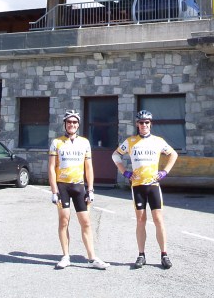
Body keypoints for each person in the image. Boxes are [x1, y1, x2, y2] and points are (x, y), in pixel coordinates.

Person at [112, 109, 178, 269]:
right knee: (141, 220)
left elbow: (173, 154)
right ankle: (141, 255)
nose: (144, 125)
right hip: (138, 186)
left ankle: (164, 254)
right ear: (137, 124)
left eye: (147, 122)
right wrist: (125, 172)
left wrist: (164, 172)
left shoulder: (158, 140)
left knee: (158, 220)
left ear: (150, 124)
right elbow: (115, 156)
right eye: (141, 122)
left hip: (153, 185)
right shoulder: (130, 141)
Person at [48, 109, 109, 270]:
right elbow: (51, 168)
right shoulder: (57, 142)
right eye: (69, 122)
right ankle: (65, 256)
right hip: (63, 186)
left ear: (78, 125)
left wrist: (91, 189)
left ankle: (92, 258)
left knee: (86, 222)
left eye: (75, 122)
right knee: (64, 221)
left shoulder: (85, 142)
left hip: (79, 186)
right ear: (65, 124)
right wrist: (54, 191)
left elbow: (88, 168)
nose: (72, 125)